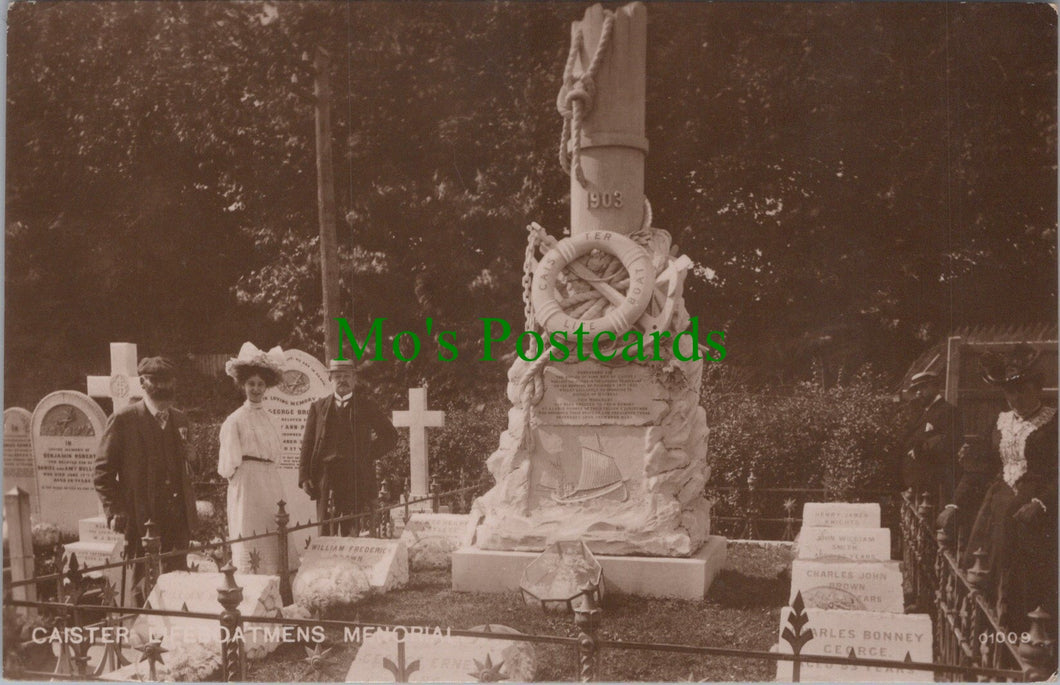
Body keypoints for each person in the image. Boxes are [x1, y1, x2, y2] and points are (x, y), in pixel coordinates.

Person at [957, 344, 1057, 632]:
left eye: (1022, 390)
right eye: (1010, 392)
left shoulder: (1053, 422)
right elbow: (990, 461)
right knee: (984, 564)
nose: (1016, 398)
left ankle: (1021, 636)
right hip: (998, 503)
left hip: (1037, 509)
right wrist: (970, 456)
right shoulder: (1001, 421)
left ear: (1037, 389)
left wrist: (1041, 503)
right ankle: (986, 632)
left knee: (1024, 578)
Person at [95, 356, 196, 598]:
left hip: (176, 516)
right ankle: (141, 631)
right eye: (156, 381)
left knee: (177, 583)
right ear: (142, 382)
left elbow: (189, 469)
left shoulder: (180, 419)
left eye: (168, 381)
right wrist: (114, 509)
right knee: (142, 584)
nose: (163, 387)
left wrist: (193, 459)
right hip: (141, 514)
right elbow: (102, 472)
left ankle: (172, 631)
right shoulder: (124, 420)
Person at [298, 358, 398, 535]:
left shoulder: (366, 406)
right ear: (331, 379)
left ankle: (348, 561)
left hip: (354, 475)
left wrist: (367, 453)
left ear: (354, 379)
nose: (342, 380)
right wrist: (304, 475)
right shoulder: (318, 407)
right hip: (325, 476)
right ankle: (326, 562)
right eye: (338, 377)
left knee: (350, 529)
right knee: (325, 529)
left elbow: (390, 436)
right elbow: (307, 443)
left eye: (347, 376)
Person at [218, 342, 288, 575]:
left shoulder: (271, 419)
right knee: (250, 532)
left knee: (273, 526)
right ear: (243, 385)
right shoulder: (235, 420)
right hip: (246, 483)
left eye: (260, 384)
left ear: (266, 387)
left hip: (270, 480)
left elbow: (276, 454)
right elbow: (228, 465)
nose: (256, 389)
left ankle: (277, 582)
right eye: (251, 384)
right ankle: (249, 580)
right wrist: (243, 477)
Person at [900, 371, 961, 506]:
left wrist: (920, 449)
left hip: (934, 483)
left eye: (923, 388)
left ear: (935, 387)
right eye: (916, 389)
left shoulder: (948, 411)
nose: (918, 393)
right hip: (914, 481)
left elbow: (949, 443)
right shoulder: (919, 412)